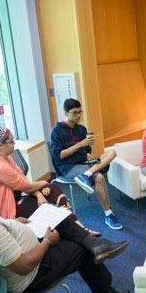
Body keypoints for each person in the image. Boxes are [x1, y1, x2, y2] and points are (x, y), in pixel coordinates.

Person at [0, 163, 131, 293]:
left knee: (57, 220)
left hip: (4, 268)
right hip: (30, 275)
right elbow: (24, 267)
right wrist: (48, 242)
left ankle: (95, 243)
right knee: (79, 248)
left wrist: (14, 224)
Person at [0, 126, 128, 264]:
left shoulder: (6, 157)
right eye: (11, 141)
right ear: (0, 146)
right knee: (54, 210)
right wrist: (42, 185)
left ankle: (84, 234)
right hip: (13, 211)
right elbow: (26, 185)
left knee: (53, 190)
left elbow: (23, 183)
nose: (14, 143)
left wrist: (38, 194)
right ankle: (89, 239)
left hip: (22, 196)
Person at [50, 98, 123, 230]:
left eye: (80, 112)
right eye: (74, 112)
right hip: (68, 167)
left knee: (111, 152)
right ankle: (108, 214)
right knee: (100, 177)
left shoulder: (82, 129)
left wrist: (87, 153)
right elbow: (59, 156)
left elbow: (87, 150)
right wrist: (80, 144)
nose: (78, 115)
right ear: (66, 113)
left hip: (84, 163)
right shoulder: (57, 131)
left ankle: (88, 173)